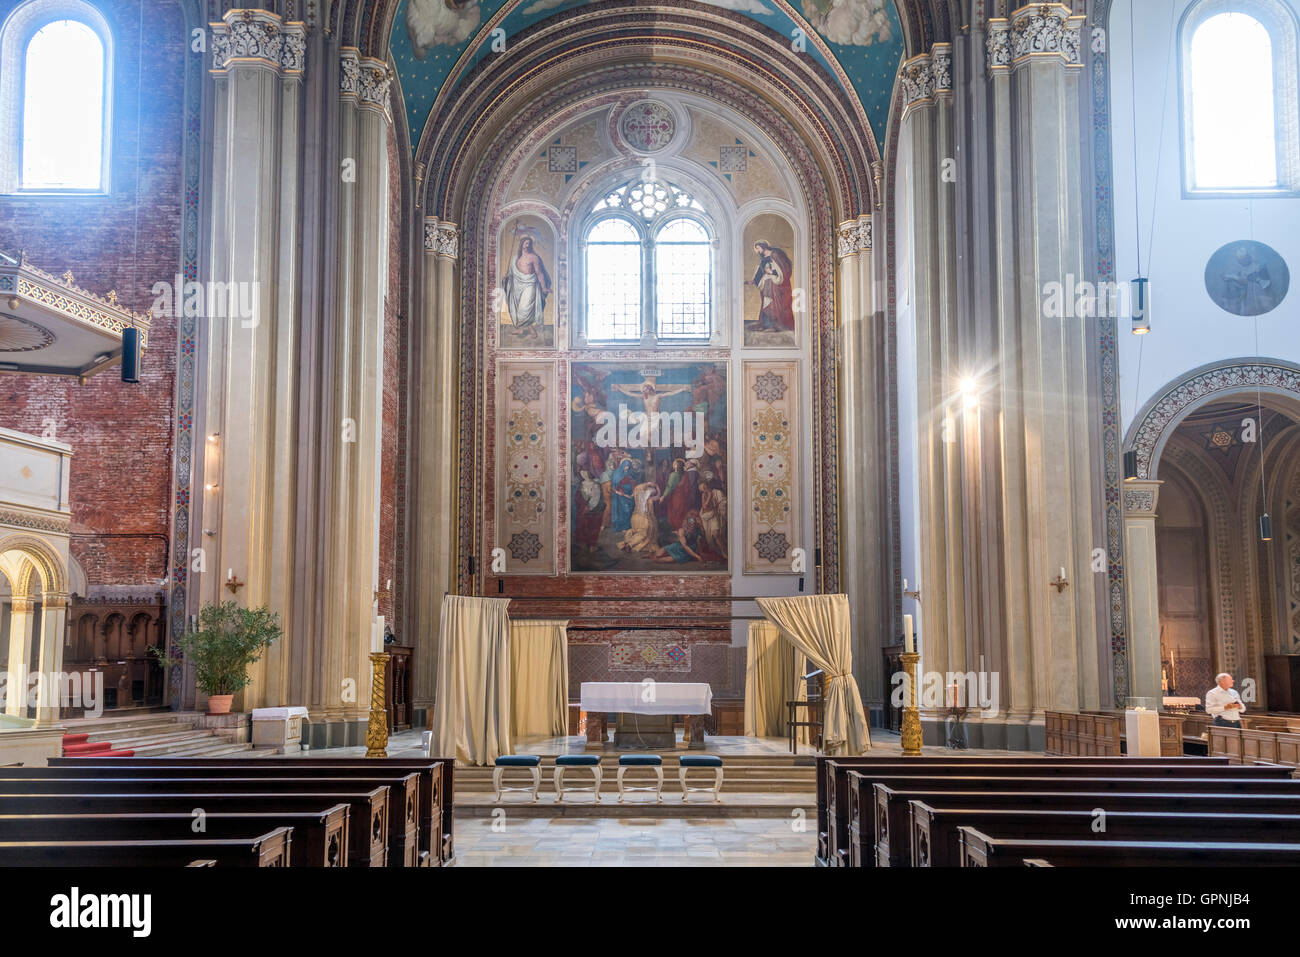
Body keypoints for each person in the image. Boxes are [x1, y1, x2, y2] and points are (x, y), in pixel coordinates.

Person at [502, 236, 552, 337]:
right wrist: (507, 278)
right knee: (518, 307)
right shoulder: (516, 258)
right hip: (517, 284)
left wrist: (543, 287)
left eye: (529, 243)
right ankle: (521, 329)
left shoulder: (534, 257)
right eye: (526, 243)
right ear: (522, 244)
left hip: (530, 284)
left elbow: (539, 273)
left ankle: (531, 329)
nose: (528, 245)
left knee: (524, 307)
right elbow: (512, 272)